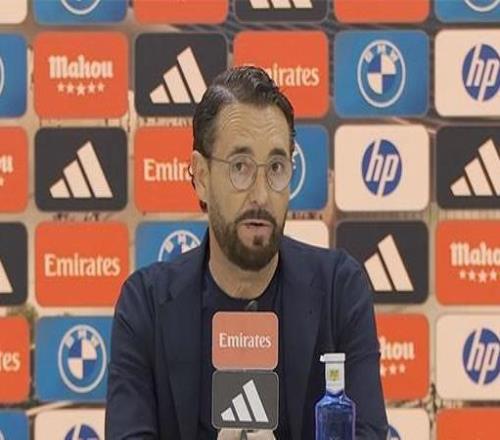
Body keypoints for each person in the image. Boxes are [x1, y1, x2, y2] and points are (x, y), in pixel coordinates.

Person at [105, 66, 388, 439]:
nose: (260, 195)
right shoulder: (146, 304)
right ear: (201, 176)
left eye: (276, 168)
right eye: (240, 167)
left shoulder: (339, 289)